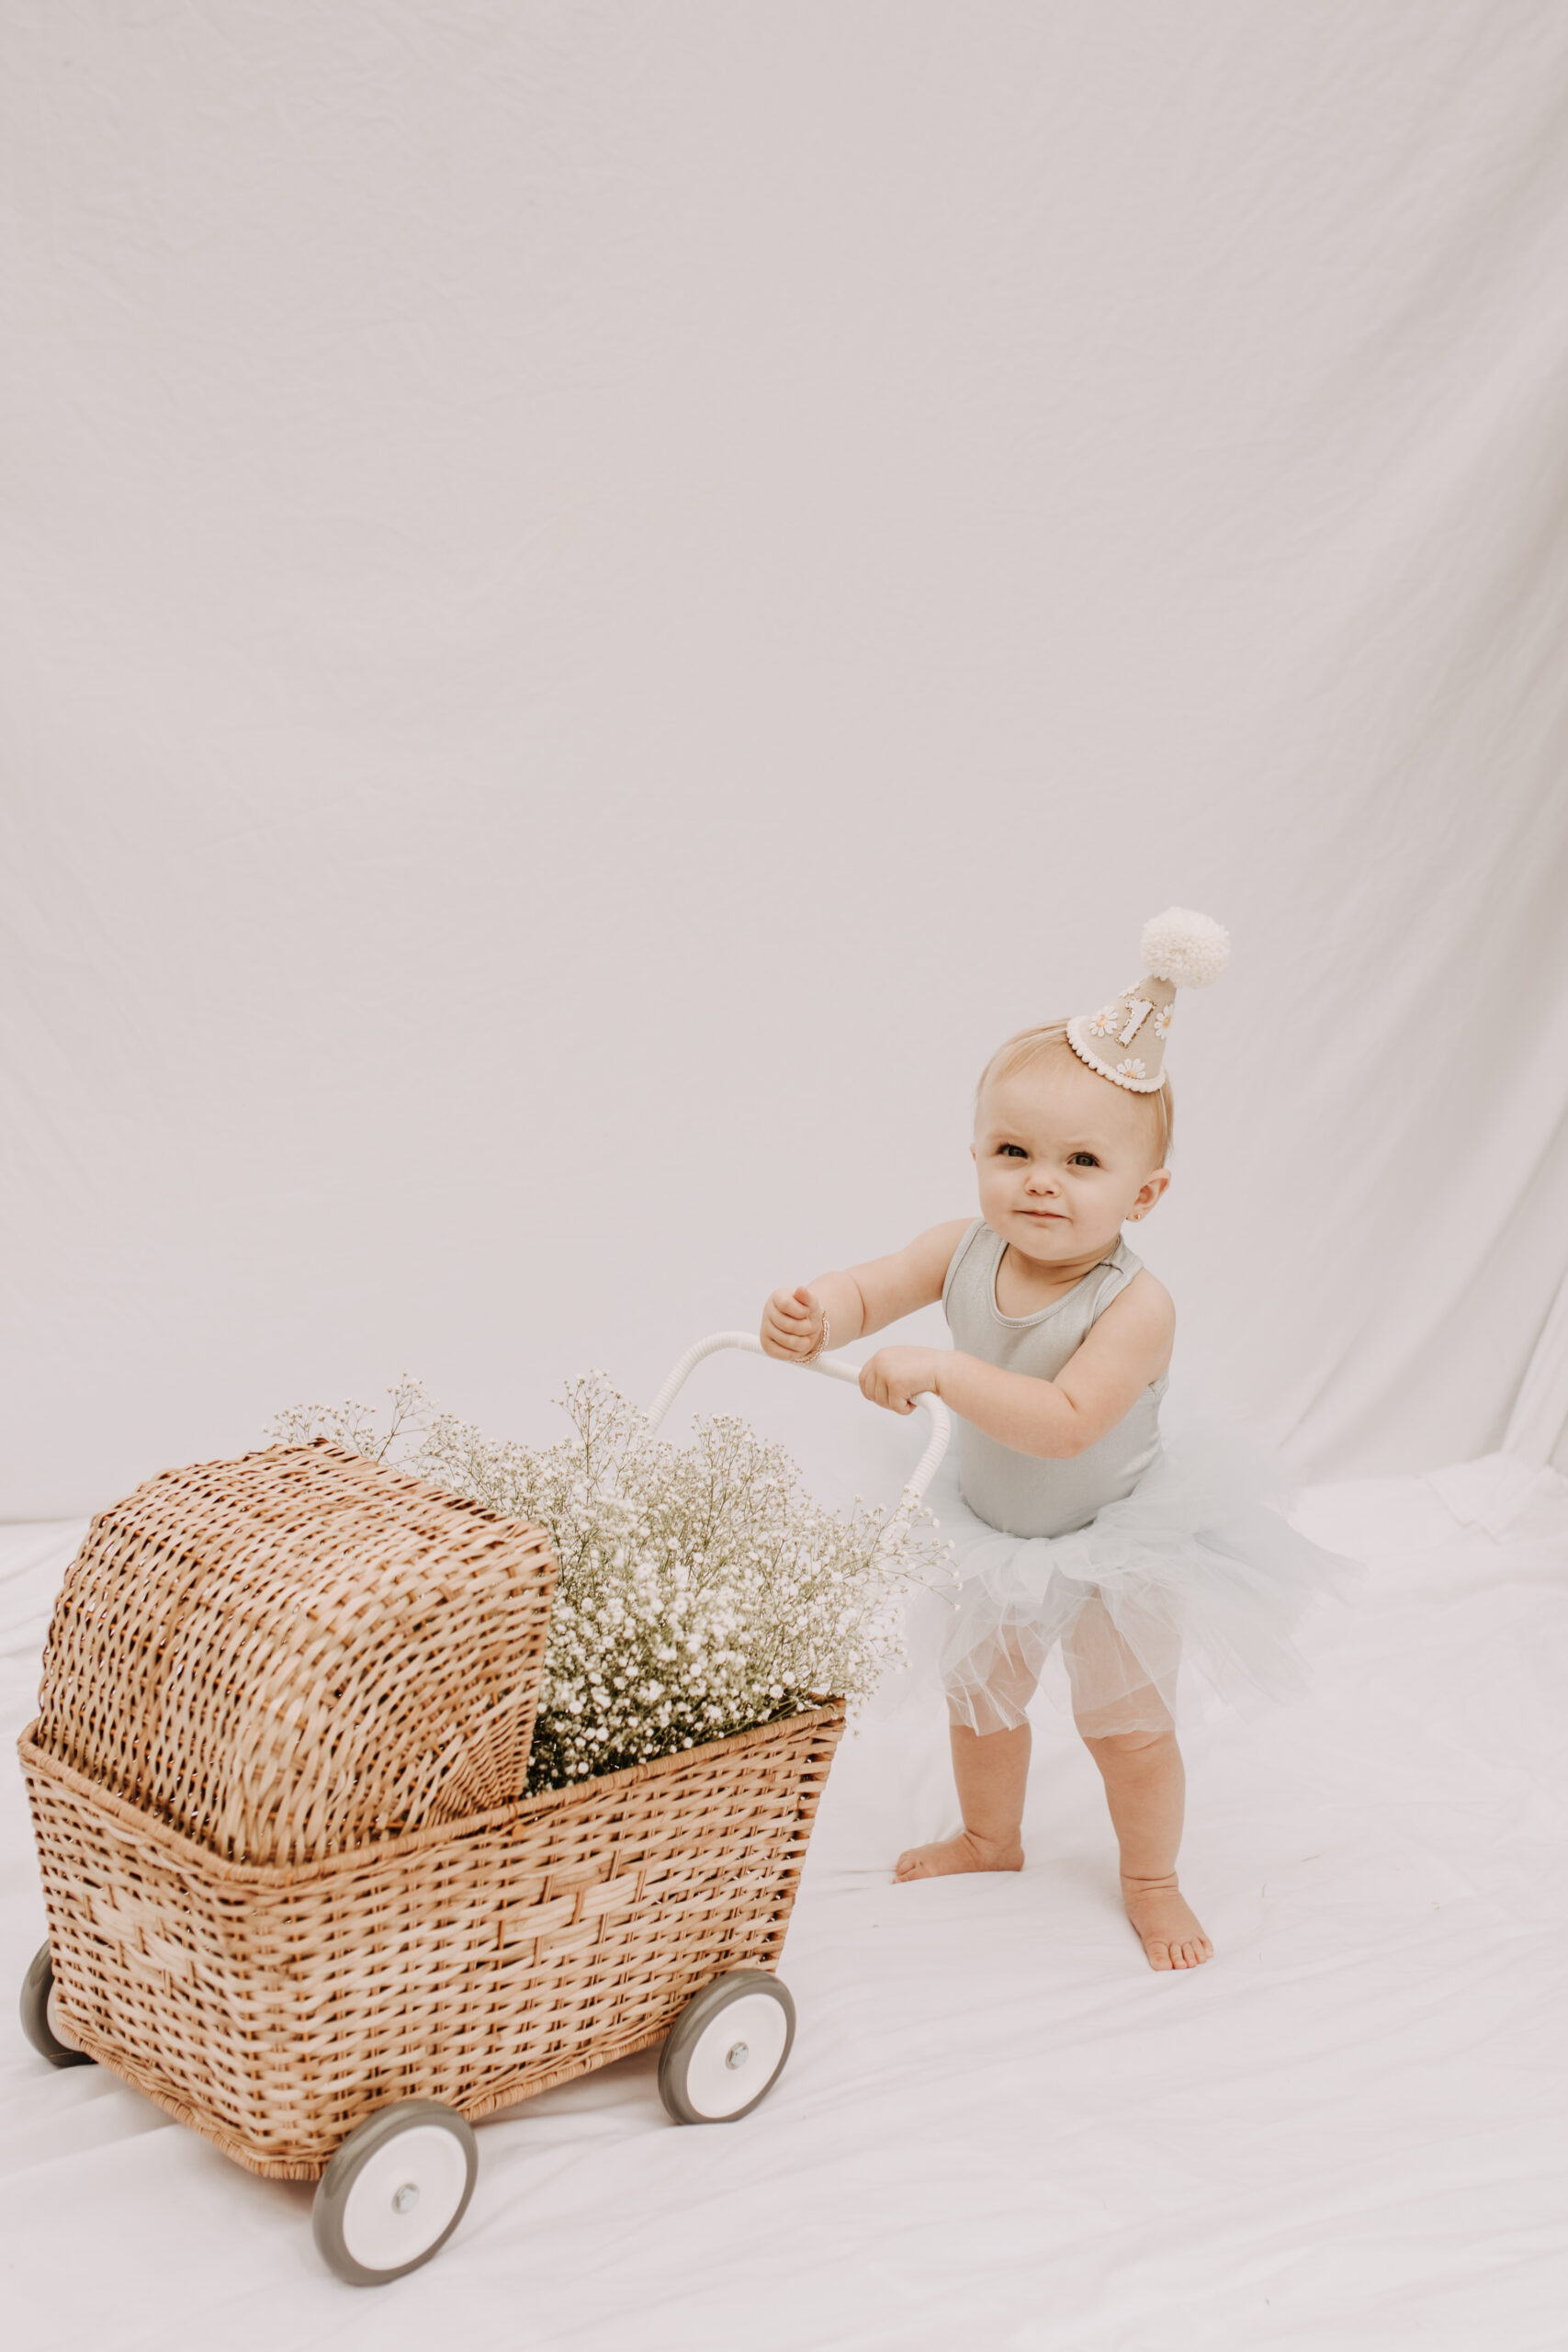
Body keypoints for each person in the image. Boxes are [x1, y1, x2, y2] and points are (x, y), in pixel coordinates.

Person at [759, 909, 1348, 1972]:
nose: (1042, 1179)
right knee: (980, 1703)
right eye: (1014, 1150)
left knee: (1124, 1730)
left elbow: (1070, 1422)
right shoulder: (959, 1248)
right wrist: (818, 1310)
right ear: (976, 1152)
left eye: (1082, 1161)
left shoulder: (1137, 1306)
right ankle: (992, 1835)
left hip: (1109, 1538)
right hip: (991, 1526)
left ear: (1145, 1193)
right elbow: (873, 1285)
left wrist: (942, 1371)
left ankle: (1152, 1878)